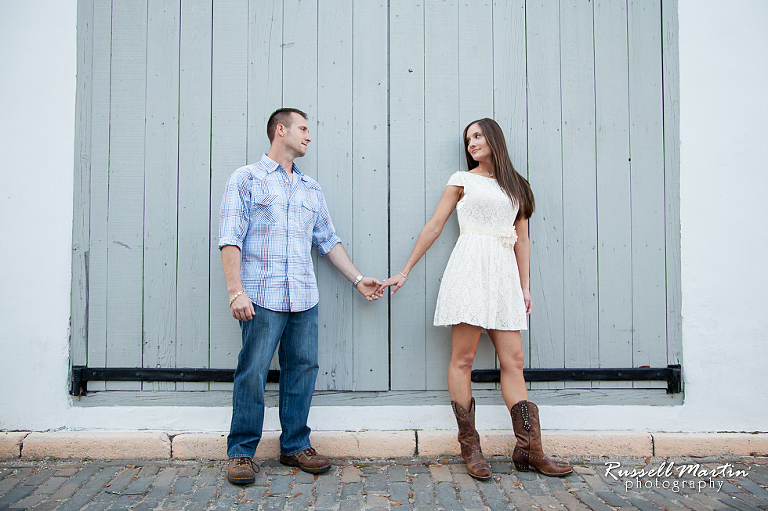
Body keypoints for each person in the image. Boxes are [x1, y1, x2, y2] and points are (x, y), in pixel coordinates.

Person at [379, 118, 572, 478]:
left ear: (494, 138)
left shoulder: (518, 187)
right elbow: (434, 226)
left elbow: (523, 239)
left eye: (478, 135)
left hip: (503, 276)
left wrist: (525, 286)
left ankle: (530, 449)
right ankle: (471, 448)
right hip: (468, 270)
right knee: (463, 358)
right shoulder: (461, 179)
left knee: (513, 360)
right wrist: (405, 270)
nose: (471, 143)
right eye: (468, 139)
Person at [219, 107, 383, 485]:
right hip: (260, 295)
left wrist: (358, 279)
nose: (309, 136)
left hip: (304, 296)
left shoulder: (311, 189)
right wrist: (235, 292)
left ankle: (295, 445)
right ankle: (242, 452)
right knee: (253, 371)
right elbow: (230, 238)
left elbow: (327, 240)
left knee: (303, 371)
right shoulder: (246, 179)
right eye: (304, 129)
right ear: (281, 130)